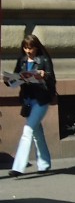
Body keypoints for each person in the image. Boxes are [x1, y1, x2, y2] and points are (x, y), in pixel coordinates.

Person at [7, 34, 56, 177]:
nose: (28, 51)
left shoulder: (44, 60)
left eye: (31, 48)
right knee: (36, 133)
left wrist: (44, 75)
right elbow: (16, 78)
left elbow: (52, 78)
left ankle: (18, 167)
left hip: (41, 101)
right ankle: (44, 163)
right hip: (28, 100)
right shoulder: (22, 61)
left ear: (36, 47)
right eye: (26, 48)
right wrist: (9, 79)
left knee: (27, 130)